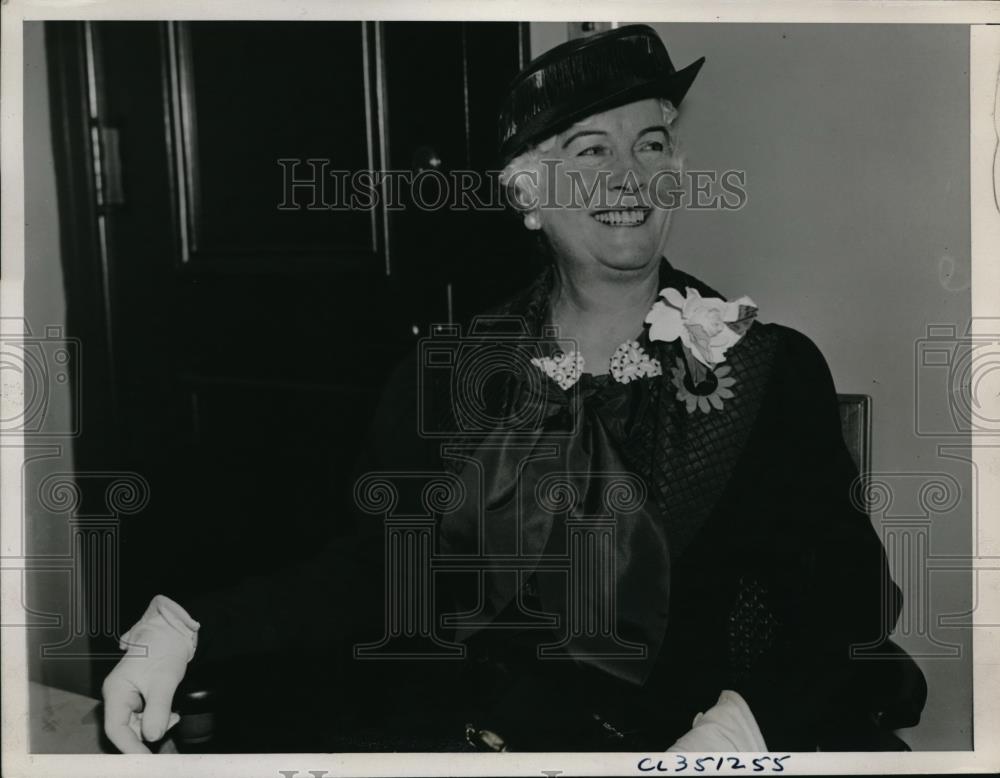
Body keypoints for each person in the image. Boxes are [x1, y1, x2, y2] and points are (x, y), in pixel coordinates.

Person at [102, 24, 906, 754]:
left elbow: (849, 600)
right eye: (590, 151)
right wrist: (188, 627)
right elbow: (381, 570)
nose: (629, 176)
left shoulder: (765, 369)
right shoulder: (451, 370)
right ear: (528, 196)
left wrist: (745, 722)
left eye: (652, 144)